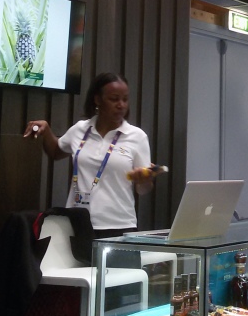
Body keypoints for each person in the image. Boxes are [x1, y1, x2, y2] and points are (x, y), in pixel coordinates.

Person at [24, 72, 153, 237]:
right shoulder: (81, 129)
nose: (121, 105)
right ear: (97, 99)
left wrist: (145, 180)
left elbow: (143, 189)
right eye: (114, 99)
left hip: (118, 225)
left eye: (125, 99)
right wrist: (47, 130)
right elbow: (56, 151)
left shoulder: (137, 137)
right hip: (76, 222)